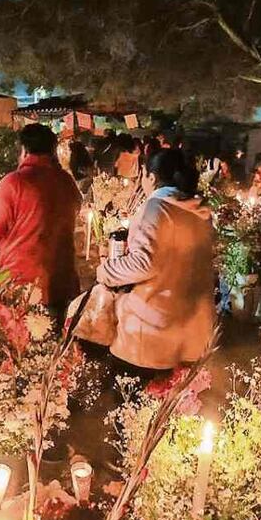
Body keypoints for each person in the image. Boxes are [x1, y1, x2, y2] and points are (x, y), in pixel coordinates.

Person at [96, 149, 215, 373]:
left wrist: (105, 271)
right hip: (194, 327)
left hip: (154, 329)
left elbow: (144, 263)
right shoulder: (200, 211)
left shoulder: (157, 207)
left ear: (150, 177)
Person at [0, 123, 81, 320]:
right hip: (63, 282)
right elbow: (77, 208)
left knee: (23, 347)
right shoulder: (66, 181)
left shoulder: (15, 183)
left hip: (24, 285)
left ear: (24, 150)